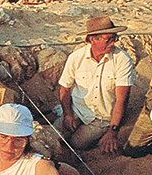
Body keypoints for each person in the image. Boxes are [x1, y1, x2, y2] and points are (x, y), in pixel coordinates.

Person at [57, 16, 134, 152]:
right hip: (78, 110)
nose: (112, 43)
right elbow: (65, 88)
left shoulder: (122, 60)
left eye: (114, 38)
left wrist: (113, 130)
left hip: (102, 118)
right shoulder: (76, 58)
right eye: (108, 39)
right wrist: (68, 114)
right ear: (93, 39)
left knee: (77, 144)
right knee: (55, 136)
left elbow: (122, 100)